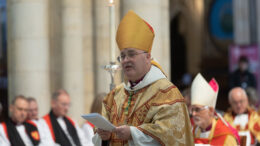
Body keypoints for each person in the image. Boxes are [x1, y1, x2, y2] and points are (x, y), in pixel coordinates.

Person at [93, 10, 194, 146]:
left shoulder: (166, 93)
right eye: (122, 56)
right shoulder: (114, 95)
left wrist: (133, 133)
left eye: (131, 54)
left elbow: (172, 136)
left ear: (148, 58)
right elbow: (98, 136)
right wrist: (103, 137)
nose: (126, 60)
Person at [191, 73, 239, 145]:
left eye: (197, 109)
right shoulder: (192, 132)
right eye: (192, 110)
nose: (193, 113)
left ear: (210, 110)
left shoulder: (225, 136)